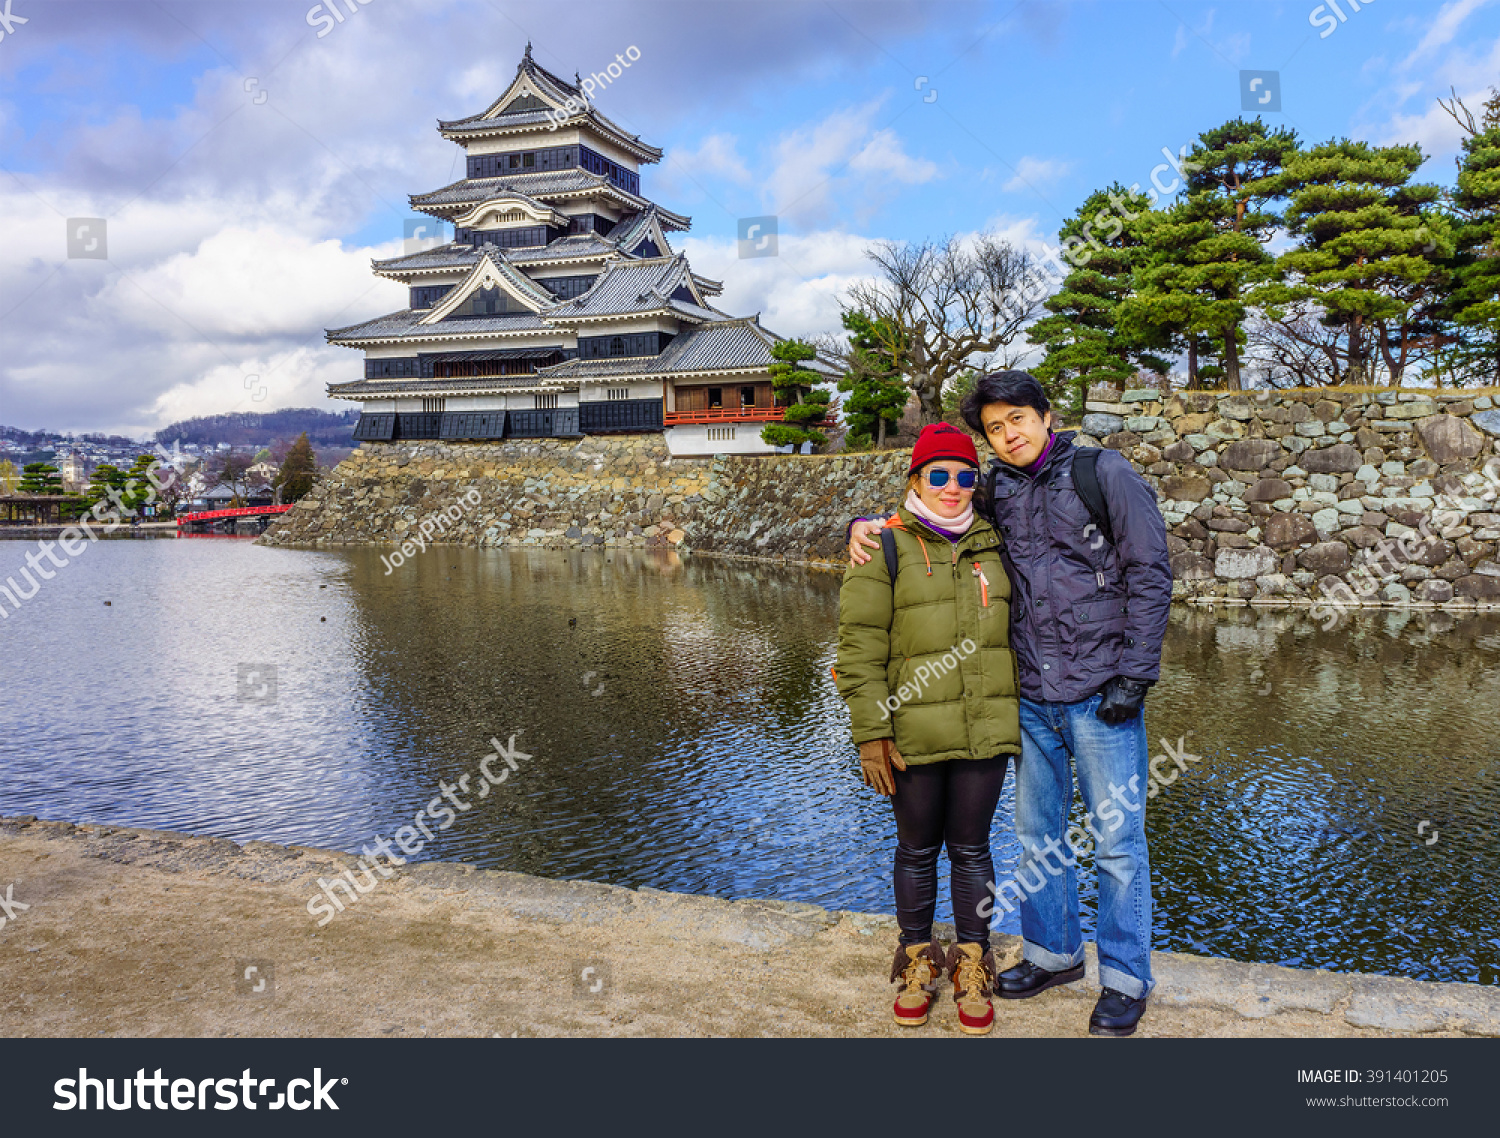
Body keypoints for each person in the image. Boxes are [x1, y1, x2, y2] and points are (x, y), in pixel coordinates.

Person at [848, 372, 1172, 1037]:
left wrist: (1135, 675)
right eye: (995, 428)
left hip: (1103, 690)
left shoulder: (1100, 472)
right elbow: (932, 506)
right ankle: (1054, 954)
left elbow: (1150, 569)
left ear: (1046, 415)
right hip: (1029, 695)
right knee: (1037, 837)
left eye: (1018, 419)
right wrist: (865, 524)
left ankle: (1124, 978)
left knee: (1116, 840)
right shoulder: (994, 487)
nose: (1009, 435)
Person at [835, 422, 1022, 1036]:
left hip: (984, 723)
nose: (952, 487)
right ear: (914, 479)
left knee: (972, 850)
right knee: (916, 849)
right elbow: (858, 649)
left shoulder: (998, 540)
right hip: (910, 729)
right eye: (937, 475)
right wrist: (871, 733)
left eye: (965, 475)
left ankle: (972, 963)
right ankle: (917, 961)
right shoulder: (884, 547)